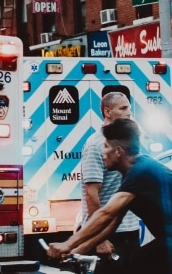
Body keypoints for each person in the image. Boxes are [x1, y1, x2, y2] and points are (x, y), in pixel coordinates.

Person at [46, 119, 172, 274]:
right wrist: (81, 248)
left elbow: (106, 213)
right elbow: (114, 221)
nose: (102, 151)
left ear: (118, 151)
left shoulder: (141, 171)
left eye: (106, 147)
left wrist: (68, 243)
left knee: (139, 262)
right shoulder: (136, 171)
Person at [74, 91, 140, 273]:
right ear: (107, 112)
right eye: (123, 108)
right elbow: (91, 193)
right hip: (109, 234)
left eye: (129, 108)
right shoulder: (96, 145)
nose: (129, 112)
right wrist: (99, 239)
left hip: (129, 229)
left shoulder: (127, 143)